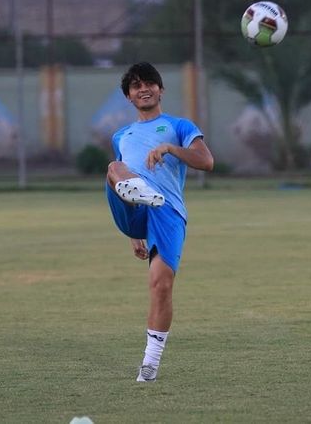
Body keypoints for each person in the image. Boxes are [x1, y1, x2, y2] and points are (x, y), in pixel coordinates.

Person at [105, 62, 214, 382]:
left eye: (149, 83)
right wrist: (131, 232)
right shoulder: (121, 135)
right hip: (133, 207)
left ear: (161, 89)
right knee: (114, 166)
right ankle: (138, 194)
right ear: (128, 96)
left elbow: (206, 161)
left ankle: (150, 366)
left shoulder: (179, 126)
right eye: (136, 86)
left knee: (161, 286)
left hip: (167, 211)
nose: (144, 89)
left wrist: (170, 148)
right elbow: (122, 170)